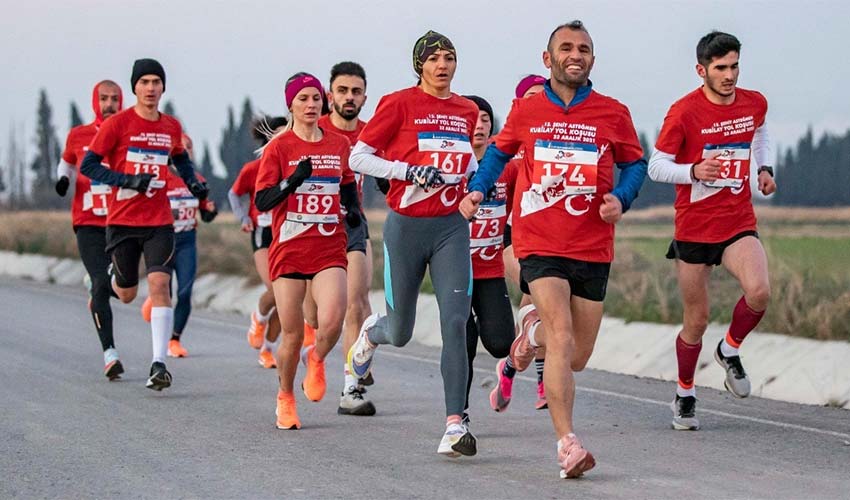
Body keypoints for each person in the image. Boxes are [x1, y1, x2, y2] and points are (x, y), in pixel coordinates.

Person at [460, 21, 647, 477]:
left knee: (575, 355)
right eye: (566, 47)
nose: (575, 54)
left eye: (583, 49)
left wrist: (621, 197)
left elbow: (635, 164)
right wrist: (479, 190)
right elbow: (500, 155)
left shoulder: (612, 112)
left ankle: (529, 339)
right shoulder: (527, 110)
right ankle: (568, 444)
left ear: (592, 60)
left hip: (593, 245)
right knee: (561, 334)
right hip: (538, 242)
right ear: (548, 59)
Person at [346, 30, 480, 457]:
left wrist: (477, 184)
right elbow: (358, 157)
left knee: (456, 323)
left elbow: (469, 160)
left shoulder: (467, 109)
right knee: (400, 332)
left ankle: (454, 425)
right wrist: (408, 171)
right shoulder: (399, 103)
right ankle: (371, 334)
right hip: (406, 226)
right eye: (435, 58)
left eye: (449, 57)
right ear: (419, 65)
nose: (443, 65)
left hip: (451, 228)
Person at [648, 31, 776, 431]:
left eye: (734, 66)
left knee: (759, 291)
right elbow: (657, 165)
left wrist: (764, 168)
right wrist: (692, 171)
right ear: (701, 70)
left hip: (737, 222)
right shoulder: (684, 112)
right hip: (694, 228)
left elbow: (760, 132)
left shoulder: (754, 102)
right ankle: (685, 394)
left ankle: (729, 349)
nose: (729, 75)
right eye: (720, 68)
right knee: (696, 321)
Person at [81, 58, 209, 391]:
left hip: (159, 221)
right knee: (125, 294)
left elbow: (178, 156)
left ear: (163, 87)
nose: (151, 88)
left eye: (156, 82)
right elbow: (89, 166)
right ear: (134, 87)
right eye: (145, 82)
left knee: (159, 286)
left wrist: (193, 182)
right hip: (123, 220)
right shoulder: (118, 124)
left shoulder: (170, 126)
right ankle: (107, 279)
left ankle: (159, 364)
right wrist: (128, 180)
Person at [254, 72, 362, 430]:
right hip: (289, 249)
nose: (312, 105)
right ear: (291, 106)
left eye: (316, 98)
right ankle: (285, 397)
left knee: (332, 317)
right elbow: (263, 199)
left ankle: (316, 358)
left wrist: (355, 213)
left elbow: (347, 185)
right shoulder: (279, 148)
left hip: (328, 244)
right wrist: (293, 180)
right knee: (292, 333)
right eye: (304, 99)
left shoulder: (337, 145)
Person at [316, 61, 376, 416]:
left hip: (353, 225)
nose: (349, 97)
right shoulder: (315, 129)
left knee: (357, 302)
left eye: (355, 91)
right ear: (330, 95)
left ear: (364, 97)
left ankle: (350, 388)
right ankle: (318, 354)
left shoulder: (371, 135)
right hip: (311, 230)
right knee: (318, 318)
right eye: (342, 90)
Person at [55, 80, 123, 380]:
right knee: (100, 284)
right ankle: (110, 353)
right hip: (88, 221)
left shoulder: (128, 134)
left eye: (115, 99)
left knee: (122, 284)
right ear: (95, 101)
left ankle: (97, 284)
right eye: (104, 99)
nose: (109, 104)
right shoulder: (79, 135)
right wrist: (63, 181)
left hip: (122, 220)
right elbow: (67, 164)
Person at [490, 74, 550, 413]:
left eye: (544, 95)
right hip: (512, 238)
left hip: (552, 241)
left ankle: (511, 368)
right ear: (517, 103)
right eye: (530, 96)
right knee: (540, 295)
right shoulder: (507, 145)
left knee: (543, 314)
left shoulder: (558, 140)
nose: (537, 101)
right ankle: (543, 382)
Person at [460, 94, 514, 425]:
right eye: (472, 118)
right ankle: (459, 412)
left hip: (491, 266)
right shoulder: (451, 168)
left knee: (500, 343)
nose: (479, 125)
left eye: (485, 119)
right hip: (454, 269)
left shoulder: (506, 167)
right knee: (462, 343)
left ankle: (481, 322)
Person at [141, 133, 218, 357]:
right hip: (163, 239)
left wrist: (210, 211)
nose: (186, 151)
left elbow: (205, 213)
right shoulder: (161, 177)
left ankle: (174, 339)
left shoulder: (197, 179)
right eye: (181, 147)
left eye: (189, 147)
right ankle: (154, 299)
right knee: (165, 289)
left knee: (184, 292)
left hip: (187, 241)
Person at [229, 116, 288, 369]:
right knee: (276, 290)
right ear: (268, 138)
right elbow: (234, 193)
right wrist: (243, 217)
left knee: (289, 300)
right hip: (262, 233)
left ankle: (268, 348)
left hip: (287, 232)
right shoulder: (254, 168)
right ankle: (259, 317)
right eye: (279, 134)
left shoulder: (293, 166)